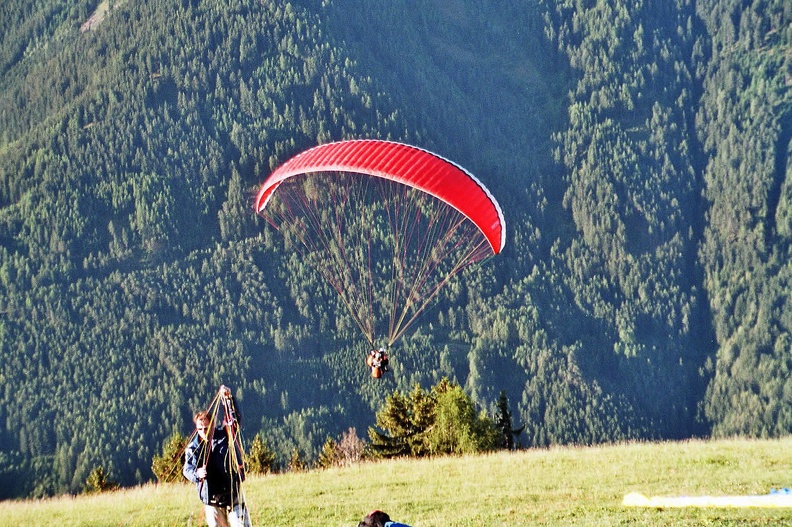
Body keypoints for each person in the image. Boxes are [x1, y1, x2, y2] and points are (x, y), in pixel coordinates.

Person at [183, 410, 251, 527]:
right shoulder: (193, 448)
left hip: (232, 494)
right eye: (200, 429)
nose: (203, 431)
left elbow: (234, 420)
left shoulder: (225, 435)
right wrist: (197, 474)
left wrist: (228, 399)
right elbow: (187, 470)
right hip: (212, 500)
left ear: (213, 425)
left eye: (206, 428)